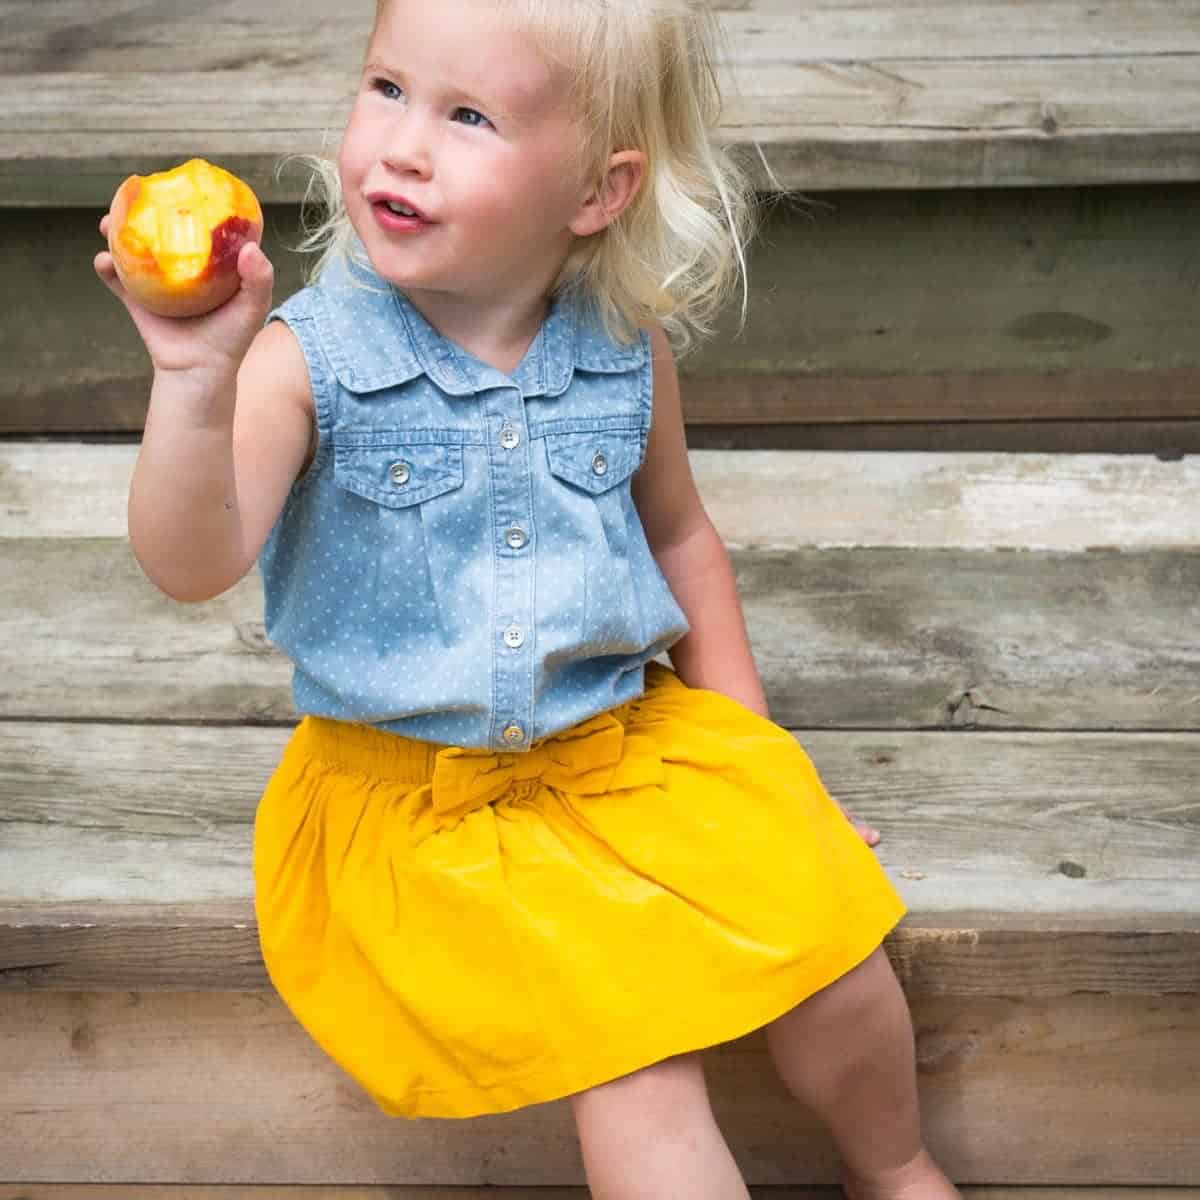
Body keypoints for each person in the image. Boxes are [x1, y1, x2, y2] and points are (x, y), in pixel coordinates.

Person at [95, 2, 960, 1197]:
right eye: (388, 89)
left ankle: (898, 1169)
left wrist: (767, 770)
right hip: (422, 810)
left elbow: (681, 540)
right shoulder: (307, 358)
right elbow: (191, 560)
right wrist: (196, 381)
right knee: (636, 1058)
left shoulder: (621, 345)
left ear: (598, 192)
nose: (402, 146)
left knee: (835, 959)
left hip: (623, 759)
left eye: (470, 115)